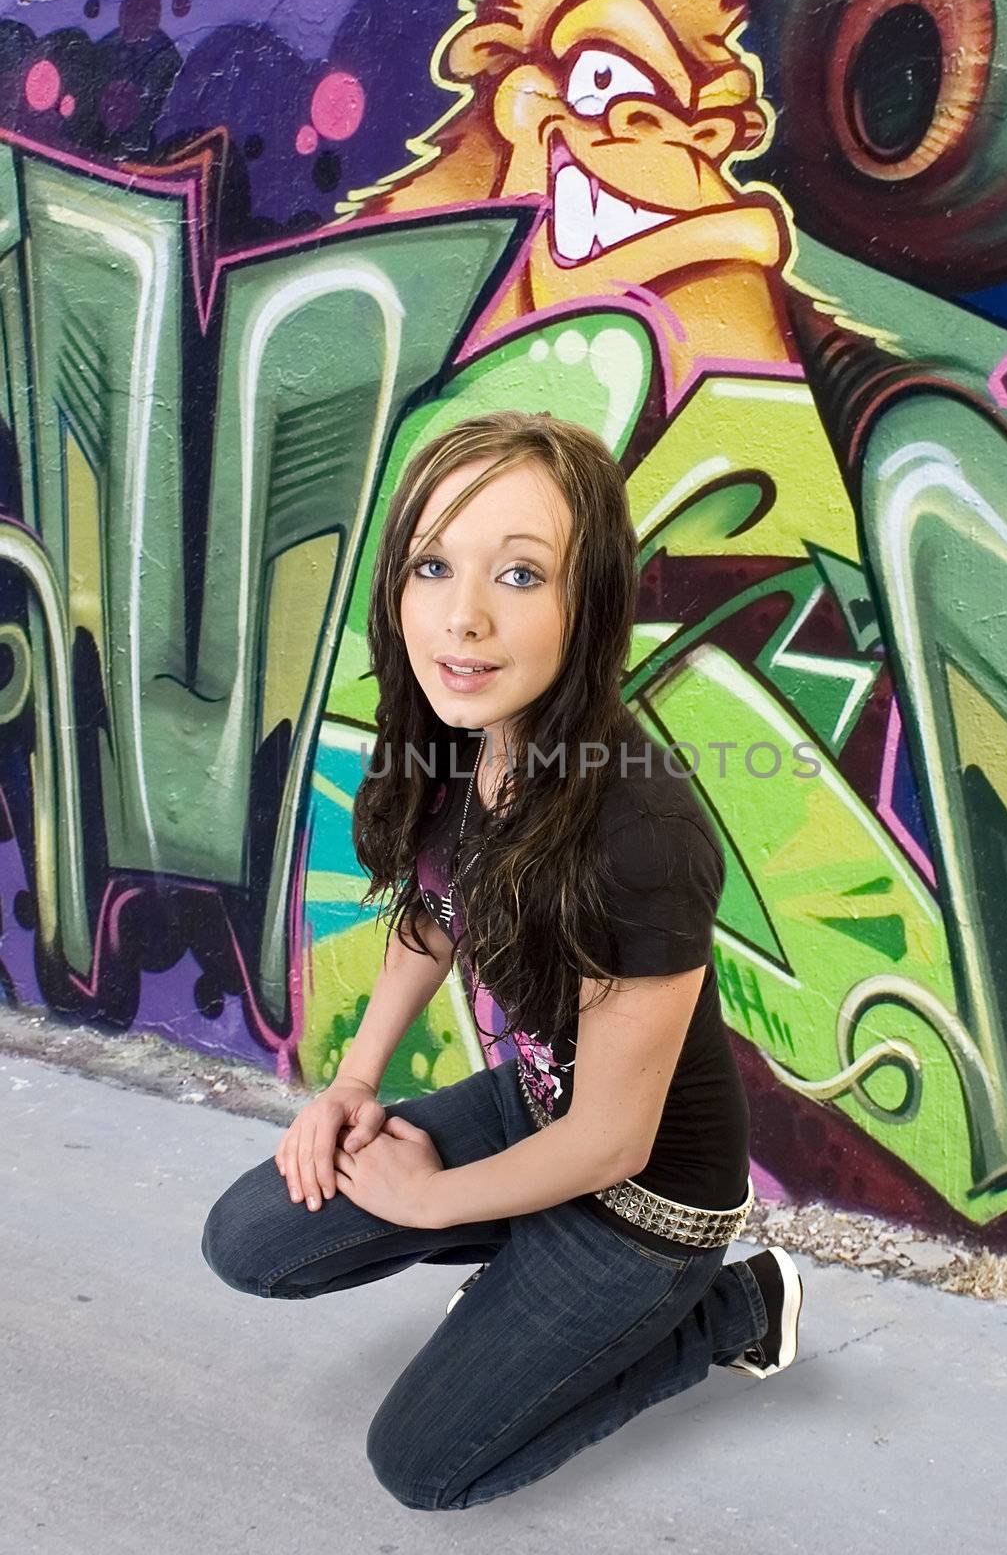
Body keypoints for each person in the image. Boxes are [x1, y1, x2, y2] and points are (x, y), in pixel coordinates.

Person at [200, 410, 804, 1512]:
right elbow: (435, 912)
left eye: (521, 574)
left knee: (424, 1466)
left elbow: (614, 1138)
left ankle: (736, 1308)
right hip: (536, 1109)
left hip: (643, 1202)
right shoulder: (461, 736)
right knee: (252, 1238)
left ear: (591, 604)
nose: (464, 617)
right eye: (434, 564)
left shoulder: (639, 831)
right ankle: (523, 1276)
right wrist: (351, 1082)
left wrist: (433, 1203)